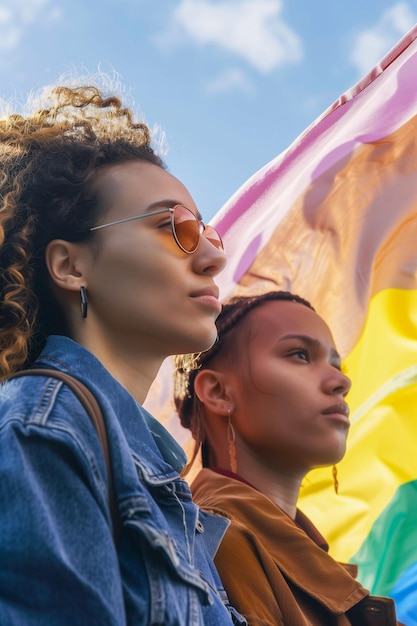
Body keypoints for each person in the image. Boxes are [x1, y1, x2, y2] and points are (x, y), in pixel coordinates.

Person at [0, 81, 246, 625]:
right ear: (70, 266)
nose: (211, 258)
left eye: (207, 231)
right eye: (172, 227)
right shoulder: (46, 426)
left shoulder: (159, 477)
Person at [175, 291, 401, 625]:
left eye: (336, 365)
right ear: (219, 392)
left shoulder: (294, 553)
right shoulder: (216, 539)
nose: (342, 381)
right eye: (299, 354)